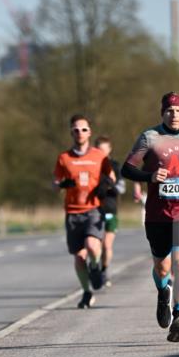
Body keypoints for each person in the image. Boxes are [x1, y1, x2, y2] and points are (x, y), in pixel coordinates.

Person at [121, 92, 179, 342]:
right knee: (162, 267)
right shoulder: (150, 137)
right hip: (157, 214)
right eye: (170, 111)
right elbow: (126, 168)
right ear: (162, 113)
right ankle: (163, 292)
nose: (174, 115)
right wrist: (149, 177)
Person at [53, 114, 113, 308]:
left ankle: (95, 267)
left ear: (90, 132)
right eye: (76, 130)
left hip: (93, 209)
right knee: (79, 258)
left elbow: (111, 177)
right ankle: (87, 292)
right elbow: (54, 184)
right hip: (72, 213)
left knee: (93, 246)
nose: (80, 133)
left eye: (84, 129)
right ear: (71, 132)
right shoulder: (64, 158)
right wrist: (62, 184)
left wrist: (106, 185)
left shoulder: (99, 156)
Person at [94, 135, 125, 287]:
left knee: (107, 245)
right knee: (95, 245)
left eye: (104, 151)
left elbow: (121, 188)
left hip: (110, 209)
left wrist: (110, 185)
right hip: (93, 209)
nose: (101, 154)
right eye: (98, 150)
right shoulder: (91, 164)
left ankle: (104, 270)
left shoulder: (115, 166)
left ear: (109, 150)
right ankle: (95, 268)